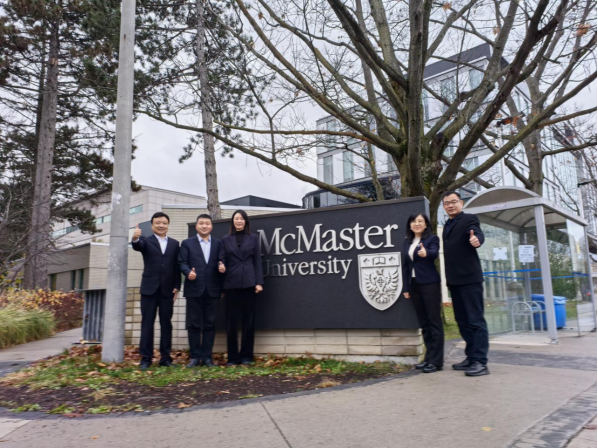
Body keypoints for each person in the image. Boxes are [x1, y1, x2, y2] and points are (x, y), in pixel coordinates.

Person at [442, 191, 490, 377]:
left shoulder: (469, 219)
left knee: (476, 321)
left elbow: (477, 233)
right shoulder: (447, 225)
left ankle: (480, 362)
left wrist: (477, 240)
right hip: (455, 282)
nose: (450, 205)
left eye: (453, 202)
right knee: (463, 322)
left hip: (470, 280)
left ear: (461, 203)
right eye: (447, 203)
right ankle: (471, 357)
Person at [132, 212, 181, 370]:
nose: (161, 225)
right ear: (152, 225)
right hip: (149, 289)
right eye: (158, 223)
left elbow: (176, 266)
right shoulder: (146, 241)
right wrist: (135, 238)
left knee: (166, 324)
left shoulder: (174, 244)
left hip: (167, 290)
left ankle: (165, 358)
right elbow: (137, 245)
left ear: (168, 225)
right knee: (147, 323)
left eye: (164, 223)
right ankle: (146, 359)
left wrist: (177, 286)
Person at [179, 214, 226, 368]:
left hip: (213, 289)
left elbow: (222, 260)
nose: (204, 226)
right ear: (196, 226)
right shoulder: (187, 243)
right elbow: (182, 262)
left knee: (210, 324)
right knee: (193, 324)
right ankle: (194, 357)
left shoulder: (218, 243)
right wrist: (188, 273)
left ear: (211, 226)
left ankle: (207, 358)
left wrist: (222, 266)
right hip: (194, 288)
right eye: (201, 223)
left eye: (207, 223)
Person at [219, 210, 264, 366]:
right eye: (236, 218)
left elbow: (257, 261)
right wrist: (220, 265)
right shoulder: (225, 239)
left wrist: (259, 282)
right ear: (232, 221)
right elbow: (221, 259)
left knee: (248, 321)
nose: (238, 221)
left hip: (249, 283)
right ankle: (232, 358)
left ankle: (246, 356)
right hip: (231, 284)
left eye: (241, 218)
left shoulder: (253, 238)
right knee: (231, 322)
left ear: (246, 221)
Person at [402, 213, 444, 374]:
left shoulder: (432, 239)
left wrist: (426, 253)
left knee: (434, 322)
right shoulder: (407, 242)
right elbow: (406, 266)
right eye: (413, 221)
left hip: (429, 284)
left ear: (426, 224)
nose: (417, 223)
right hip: (414, 285)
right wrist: (406, 288)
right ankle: (428, 358)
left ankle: (436, 361)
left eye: (420, 221)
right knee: (424, 324)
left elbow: (434, 252)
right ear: (410, 225)